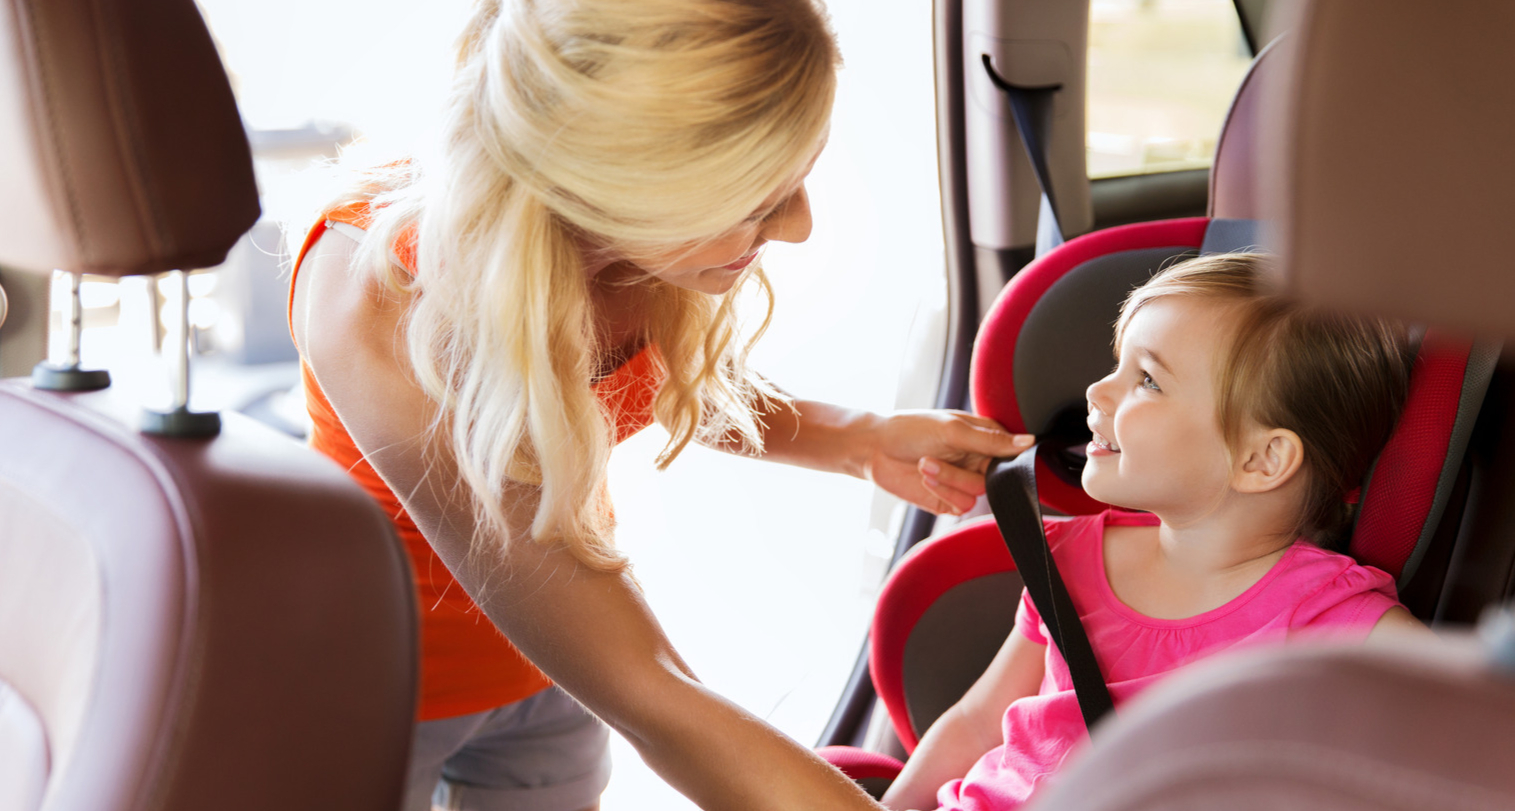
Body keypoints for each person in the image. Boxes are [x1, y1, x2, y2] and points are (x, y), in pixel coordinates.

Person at [287, 1, 1030, 809]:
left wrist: (858, 439)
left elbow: (669, 385)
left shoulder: (624, 246)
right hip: (385, 683)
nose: (800, 226)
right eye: (755, 201)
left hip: (544, 676)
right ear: (613, 185)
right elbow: (649, 687)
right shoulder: (385, 296)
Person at [879, 252, 1429, 811]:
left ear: (1262, 459)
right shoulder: (1068, 556)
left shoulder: (1327, 617)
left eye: (1146, 380)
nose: (1097, 391)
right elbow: (977, 724)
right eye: (1117, 364)